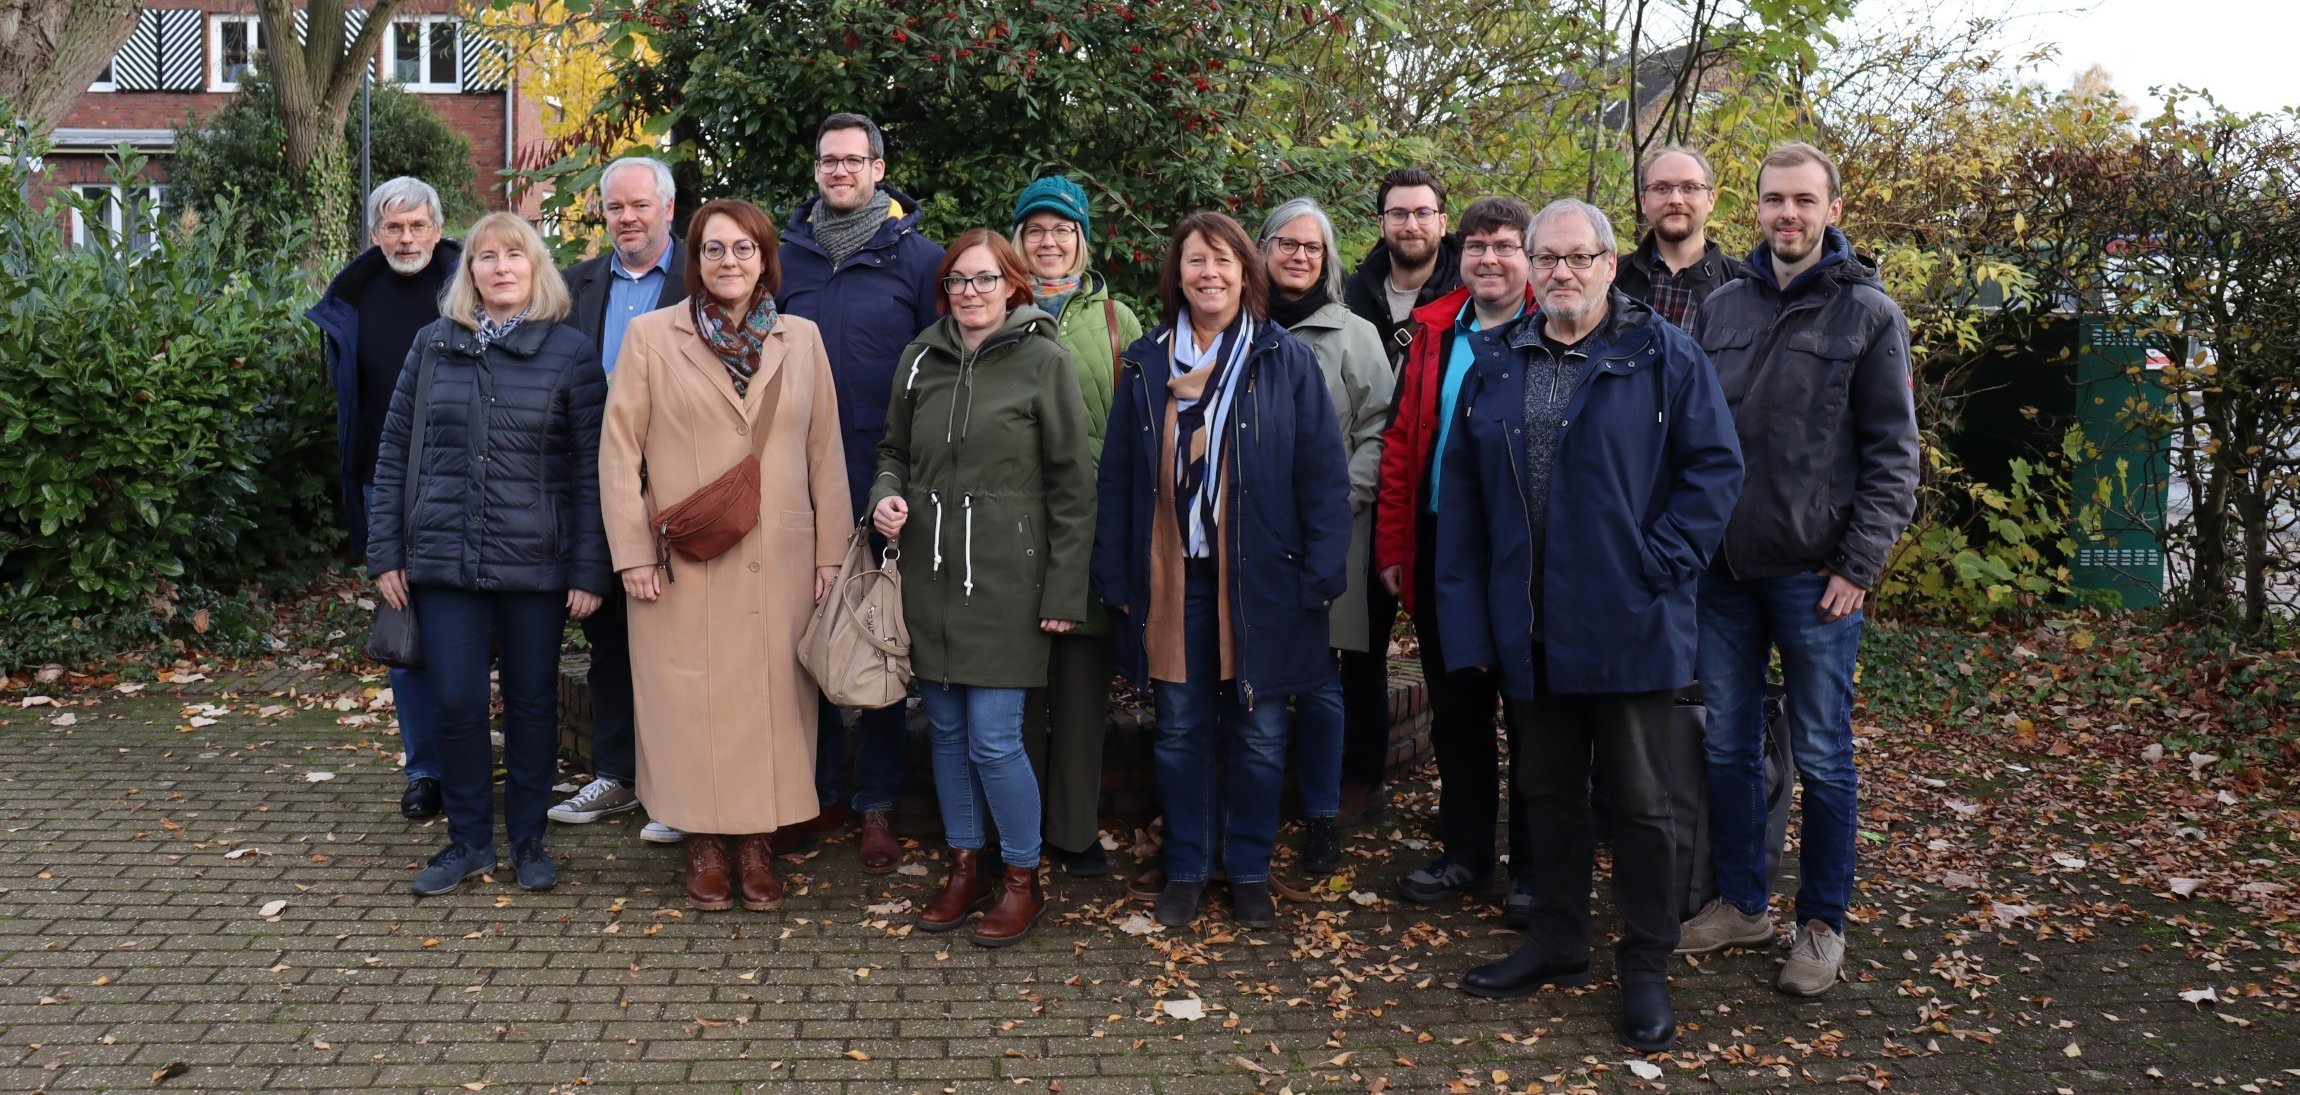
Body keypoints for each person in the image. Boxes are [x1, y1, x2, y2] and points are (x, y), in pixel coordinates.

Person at [1435, 199, 1742, 1055]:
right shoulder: (1494, 364)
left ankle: (1644, 962)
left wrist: (1657, 564)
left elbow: (1715, 469)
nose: (1562, 271)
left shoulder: (1663, 356)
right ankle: (1559, 938)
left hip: (1630, 622)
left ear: (1611, 264)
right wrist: (1469, 624)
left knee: (1644, 804)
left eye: (1580, 256)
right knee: (1549, 791)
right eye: (1548, 258)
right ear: (1529, 269)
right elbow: (1460, 505)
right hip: (1529, 625)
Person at [1681, 142, 1919, 996]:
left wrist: (1859, 563)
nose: (1788, 213)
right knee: (1730, 752)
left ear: (1831, 207)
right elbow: (1690, 435)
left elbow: (1895, 454)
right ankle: (1743, 902)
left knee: (1823, 758)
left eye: (1804, 200)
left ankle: (1821, 923)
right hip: (1726, 573)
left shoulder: (1868, 314)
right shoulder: (1723, 307)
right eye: (1775, 198)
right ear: (1756, 206)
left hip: (1818, 579)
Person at [1091, 212, 1351, 930]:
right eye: (1195, 261)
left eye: (1223, 261)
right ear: (1177, 275)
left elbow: (1323, 475)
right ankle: (1185, 868)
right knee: (1177, 731)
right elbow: (1117, 480)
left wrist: (1322, 573)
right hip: (1172, 581)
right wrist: (1115, 578)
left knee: (1262, 734)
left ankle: (1247, 872)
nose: (1210, 273)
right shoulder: (1146, 364)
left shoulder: (1284, 360)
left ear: (1247, 273)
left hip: (1266, 581)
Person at [599, 198, 850, 913]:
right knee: (691, 702)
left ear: (766, 258)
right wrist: (630, 554)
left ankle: (756, 844)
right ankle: (704, 843)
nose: (729, 261)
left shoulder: (800, 339)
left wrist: (831, 553)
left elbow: (825, 453)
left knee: (772, 704)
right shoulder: (651, 337)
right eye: (714, 249)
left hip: (781, 561)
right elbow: (618, 455)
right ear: (696, 260)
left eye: (743, 248)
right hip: (682, 560)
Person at [368, 212, 611, 897]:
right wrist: (386, 550)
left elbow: (591, 470)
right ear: (467, 272)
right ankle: (469, 841)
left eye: (514, 256)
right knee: (456, 703)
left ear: (536, 269)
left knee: (533, 705)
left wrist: (590, 567)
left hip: (536, 563)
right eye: (485, 257)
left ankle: (529, 837)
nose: (500, 267)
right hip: (443, 559)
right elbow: (395, 454)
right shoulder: (433, 345)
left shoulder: (570, 353)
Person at [870, 229, 1095, 946]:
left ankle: (1022, 878)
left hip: (1008, 583)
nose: (971, 293)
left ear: (1013, 286)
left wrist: (1063, 592)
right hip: (929, 578)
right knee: (945, 732)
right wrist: (885, 495)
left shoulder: (1044, 362)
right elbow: (893, 451)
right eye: (959, 282)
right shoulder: (921, 358)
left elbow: (1072, 487)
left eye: (986, 280)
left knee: (996, 740)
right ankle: (965, 867)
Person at [777, 112, 945, 872]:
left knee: (876, 638)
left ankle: (876, 803)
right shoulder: (783, 260)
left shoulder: (920, 262)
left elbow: (938, 379)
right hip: (795, 485)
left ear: (880, 168)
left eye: (854, 160)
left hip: (882, 478)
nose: (839, 172)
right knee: (800, 639)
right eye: (827, 161)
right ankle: (813, 793)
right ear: (816, 170)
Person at [1371, 197, 1536, 924]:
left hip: (1530, 551)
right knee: (1458, 713)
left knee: (1534, 716)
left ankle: (1534, 867)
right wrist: (1394, 548)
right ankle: (1466, 852)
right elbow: (1403, 445)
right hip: (1443, 546)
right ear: (1458, 255)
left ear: (1529, 256)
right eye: (1477, 246)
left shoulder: (1555, 326)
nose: (1489, 258)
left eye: (1504, 245)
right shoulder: (1436, 331)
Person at [309, 176, 458, 822]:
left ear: (437, 228)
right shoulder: (351, 297)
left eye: (417, 225)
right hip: (382, 481)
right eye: (393, 227)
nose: (406, 238)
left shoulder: (469, 282)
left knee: (470, 626)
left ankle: (472, 762)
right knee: (405, 626)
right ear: (374, 234)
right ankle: (425, 769)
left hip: (464, 480)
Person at [549, 156, 688, 844]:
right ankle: (618, 773)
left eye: (639, 206)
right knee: (607, 639)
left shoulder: (704, 276)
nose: (626, 218)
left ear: (668, 207)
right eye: (614, 208)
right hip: (599, 486)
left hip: (683, 490)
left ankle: (679, 786)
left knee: (680, 642)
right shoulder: (575, 288)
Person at [1008, 176, 1143, 879]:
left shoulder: (1118, 319)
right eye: (1036, 230)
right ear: (1019, 238)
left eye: (1062, 230)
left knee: (1084, 691)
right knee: (1018, 690)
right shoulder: (994, 305)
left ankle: (1073, 831)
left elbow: (1142, 426)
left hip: (1090, 525)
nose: (1049, 242)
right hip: (1012, 530)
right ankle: (1019, 835)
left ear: (1082, 240)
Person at [1257, 197, 1393, 875]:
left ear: (1327, 258)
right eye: (1287, 243)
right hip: (1248, 533)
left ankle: (1320, 814)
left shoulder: (1353, 333)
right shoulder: (1234, 327)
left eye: (1312, 247)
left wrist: (1344, 497)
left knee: (1319, 681)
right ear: (1264, 250)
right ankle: (1250, 804)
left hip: (1324, 531)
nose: (1300, 255)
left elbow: (1380, 426)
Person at [1614, 144, 1752, 331]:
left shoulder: (1744, 286)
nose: (1675, 199)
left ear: (1711, 200)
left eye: (1690, 188)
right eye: (1661, 188)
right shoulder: (1611, 279)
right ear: (1643, 201)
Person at [1342, 167, 1463, 367]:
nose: (1411, 226)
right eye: (1398, 214)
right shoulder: (1349, 297)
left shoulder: (1468, 298)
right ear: (1382, 224)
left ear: (1442, 224)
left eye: (1423, 213)